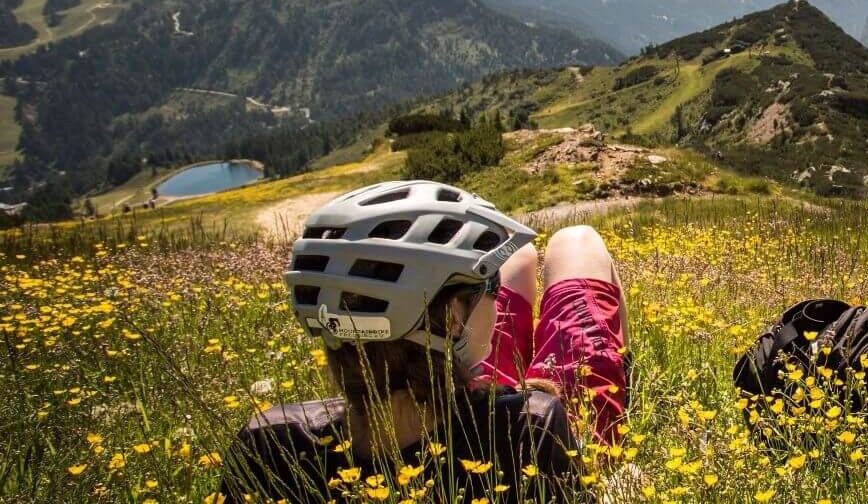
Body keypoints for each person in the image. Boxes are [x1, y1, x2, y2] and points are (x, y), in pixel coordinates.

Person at [220, 180, 630, 503]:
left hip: (457, 379)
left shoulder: (270, 442)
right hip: (501, 414)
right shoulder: (532, 425)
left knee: (519, 257)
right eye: (489, 285)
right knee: (577, 240)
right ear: (452, 317)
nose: (497, 292)